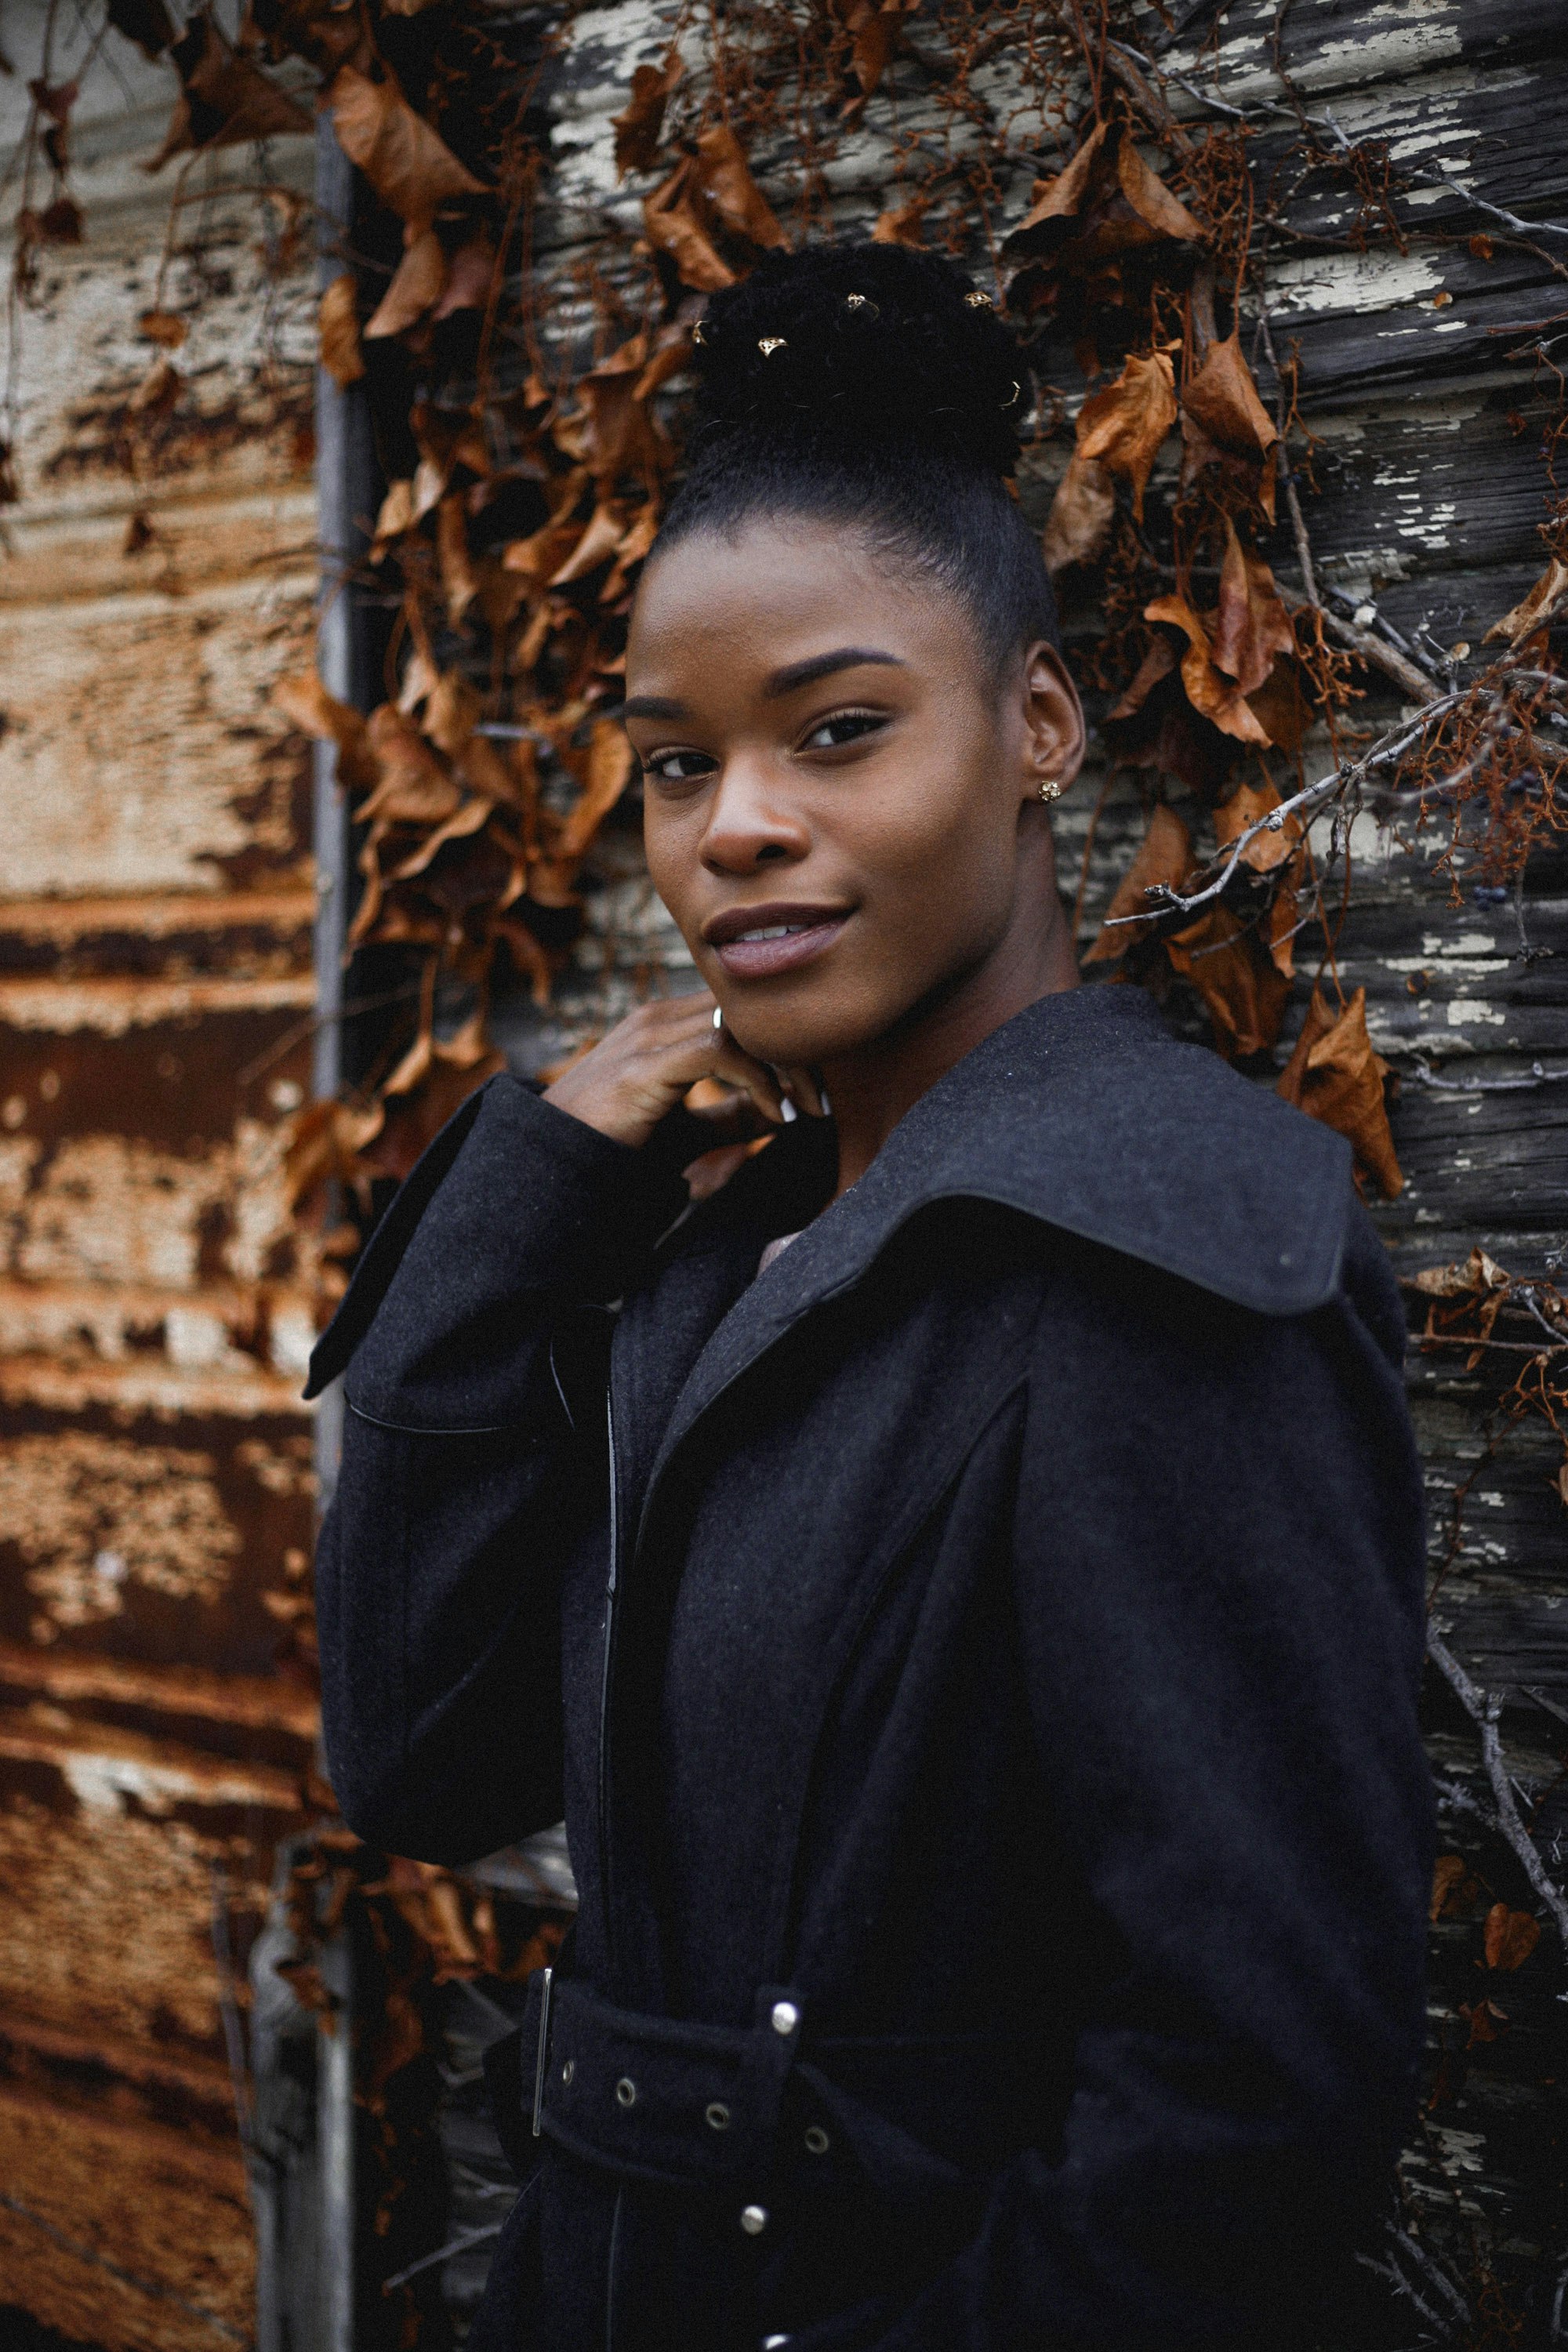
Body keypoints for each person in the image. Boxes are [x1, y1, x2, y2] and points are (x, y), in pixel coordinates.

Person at [307, 243, 1433, 2352]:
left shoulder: (1158, 1258)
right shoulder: (716, 1254)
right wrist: (530, 1193)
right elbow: (414, 1762)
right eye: (671, 761)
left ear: (1036, 725)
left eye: (838, 730)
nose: (737, 825)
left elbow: (1253, 2114)